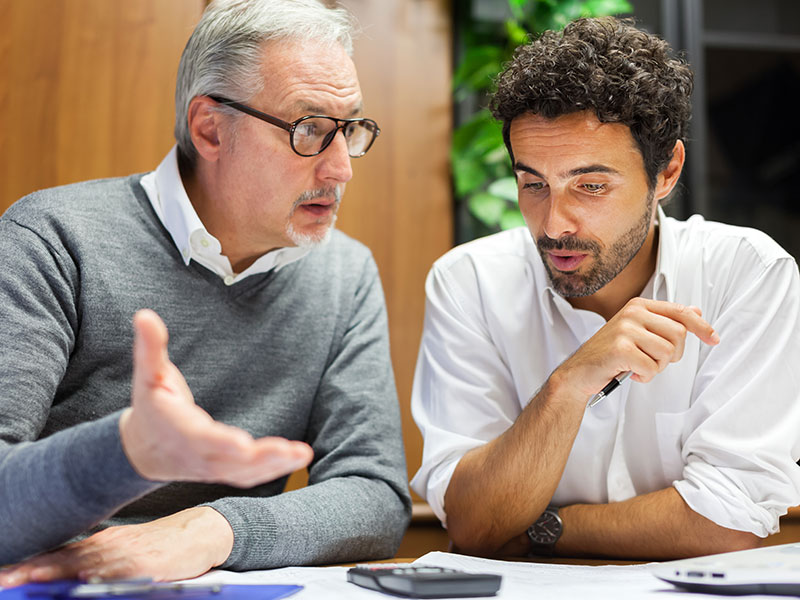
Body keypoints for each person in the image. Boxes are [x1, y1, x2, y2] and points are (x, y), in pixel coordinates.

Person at [0, 0, 410, 583]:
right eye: (310, 129)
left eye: (350, 129)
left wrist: (214, 530)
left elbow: (374, 494)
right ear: (210, 129)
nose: (341, 168)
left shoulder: (344, 273)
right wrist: (129, 450)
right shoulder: (51, 239)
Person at [411, 17, 800, 560]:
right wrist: (569, 384)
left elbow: (728, 521)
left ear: (666, 173)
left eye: (590, 186)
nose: (554, 224)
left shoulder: (746, 273)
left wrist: (544, 528)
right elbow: (474, 524)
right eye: (533, 185)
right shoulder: (470, 282)